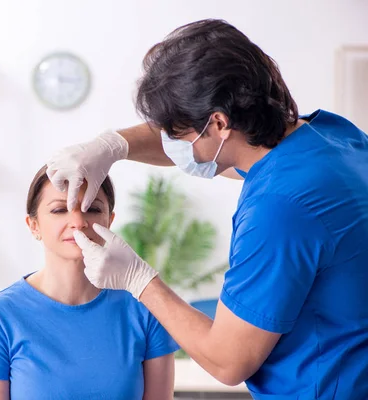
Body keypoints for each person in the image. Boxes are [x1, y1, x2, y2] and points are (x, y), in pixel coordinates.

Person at [45, 19, 368, 399]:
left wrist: (139, 280)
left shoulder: (279, 208)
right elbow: (222, 158)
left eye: (177, 135)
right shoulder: (334, 137)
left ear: (218, 122)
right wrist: (113, 145)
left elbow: (229, 362)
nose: (171, 145)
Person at [0, 165, 179, 400]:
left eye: (93, 209)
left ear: (109, 220)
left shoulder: (146, 309)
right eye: (58, 210)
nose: (77, 221)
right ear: (33, 225)